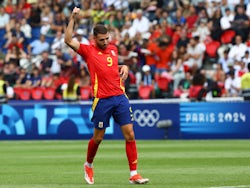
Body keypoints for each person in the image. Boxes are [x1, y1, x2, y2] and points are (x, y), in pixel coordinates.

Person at [64, 7, 149, 185]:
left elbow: (112, 68)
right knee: (98, 138)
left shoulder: (113, 49)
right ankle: (88, 164)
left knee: (130, 135)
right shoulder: (88, 51)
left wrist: (124, 67)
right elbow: (68, 40)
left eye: (107, 38)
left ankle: (134, 173)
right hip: (102, 100)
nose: (105, 42)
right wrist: (73, 18)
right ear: (95, 39)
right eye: (102, 40)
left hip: (120, 97)